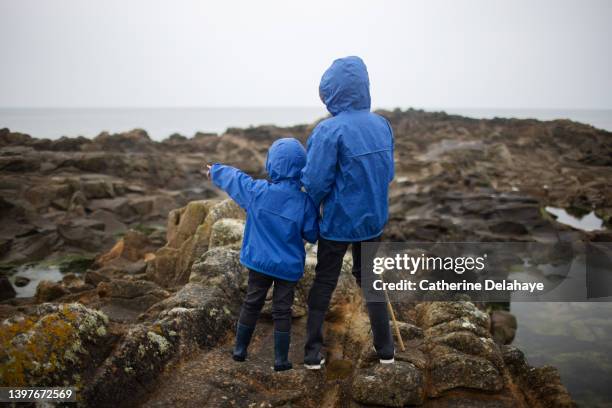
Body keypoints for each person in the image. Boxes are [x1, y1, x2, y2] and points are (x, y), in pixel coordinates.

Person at [301, 56, 395, 369]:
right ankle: (387, 351)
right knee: (370, 278)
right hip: (373, 219)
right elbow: (388, 173)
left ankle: (312, 353)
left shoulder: (329, 130)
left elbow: (315, 182)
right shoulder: (382, 124)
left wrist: (310, 207)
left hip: (338, 222)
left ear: (332, 92)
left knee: (324, 280)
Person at [206, 137, 319, 371]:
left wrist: (215, 170)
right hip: (287, 268)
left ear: (272, 164)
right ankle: (280, 360)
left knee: (252, 302)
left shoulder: (257, 191)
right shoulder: (305, 202)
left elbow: (236, 179)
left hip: (259, 262)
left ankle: (239, 351)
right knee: (282, 310)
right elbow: (311, 233)